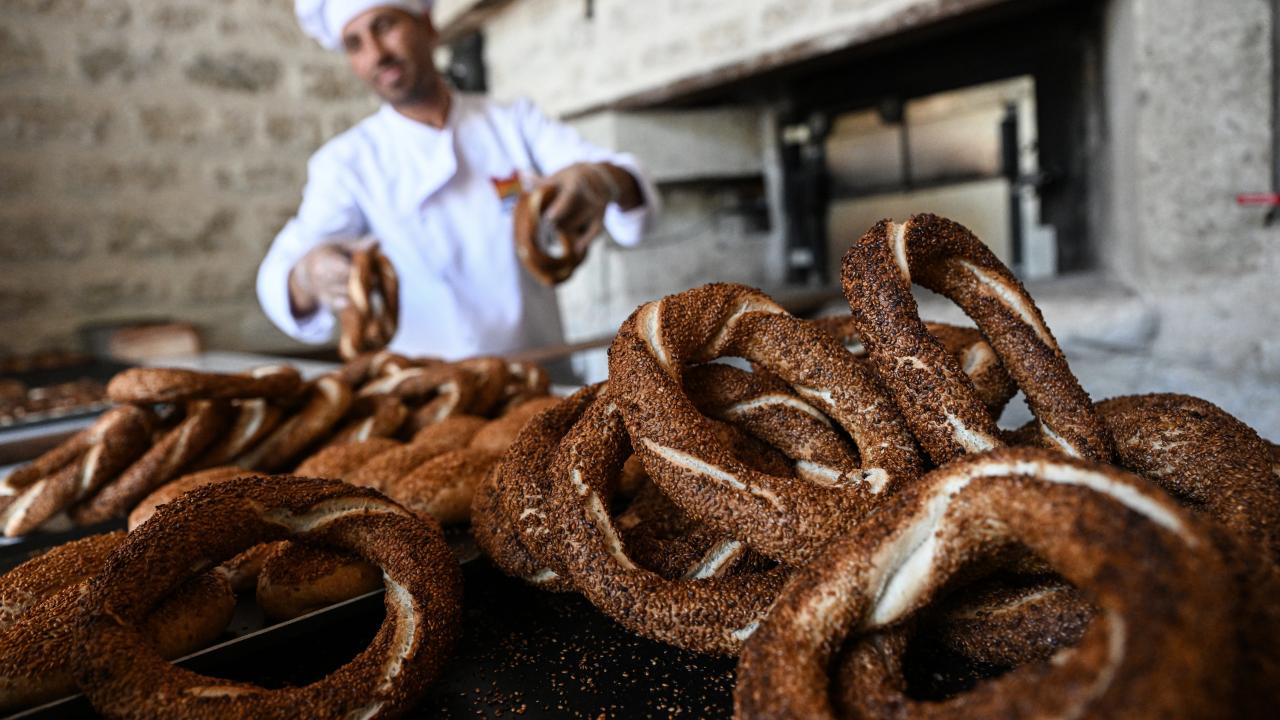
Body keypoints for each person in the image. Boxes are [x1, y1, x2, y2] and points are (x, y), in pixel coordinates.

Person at [258, 0, 657, 360]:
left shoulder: (513, 121)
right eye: (355, 44)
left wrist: (600, 180)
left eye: (384, 26)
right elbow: (285, 271)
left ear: (427, 25)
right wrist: (309, 275)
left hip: (541, 377)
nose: (377, 54)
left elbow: (616, 176)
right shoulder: (346, 162)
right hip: (429, 399)